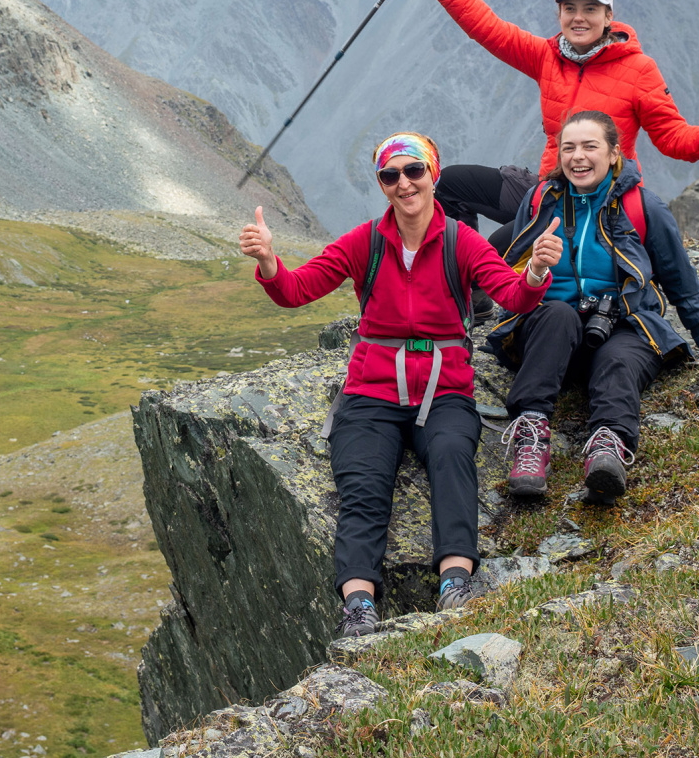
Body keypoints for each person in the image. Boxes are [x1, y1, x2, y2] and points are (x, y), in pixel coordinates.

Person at [239, 132, 563, 636]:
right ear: (383, 185)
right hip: (370, 392)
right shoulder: (364, 241)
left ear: (434, 174)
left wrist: (537, 272)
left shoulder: (462, 240)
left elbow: (512, 296)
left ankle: (455, 581)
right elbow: (298, 289)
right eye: (391, 176)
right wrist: (268, 262)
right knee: (363, 486)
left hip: (446, 390)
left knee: (453, 459)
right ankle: (359, 606)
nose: (404, 184)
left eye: (414, 172)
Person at [407, 0, 699, 342]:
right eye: (569, 8)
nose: (579, 17)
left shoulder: (638, 70)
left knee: (484, 259)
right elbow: (486, 27)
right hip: (546, 190)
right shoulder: (548, 56)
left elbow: (674, 139)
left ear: (609, 17)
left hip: (599, 203)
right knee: (449, 184)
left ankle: (473, 286)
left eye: (590, 9)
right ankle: (477, 300)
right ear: (558, 14)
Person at [489, 111, 699, 505]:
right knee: (557, 314)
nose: (578, 157)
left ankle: (608, 448)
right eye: (568, 147)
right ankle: (531, 437)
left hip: (620, 327)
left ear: (614, 153)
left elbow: (680, 278)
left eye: (590, 146)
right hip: (547, 331)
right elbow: (508, 274)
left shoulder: (643, 207)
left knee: (620, 357)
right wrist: (536, 267)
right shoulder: (541, 200)